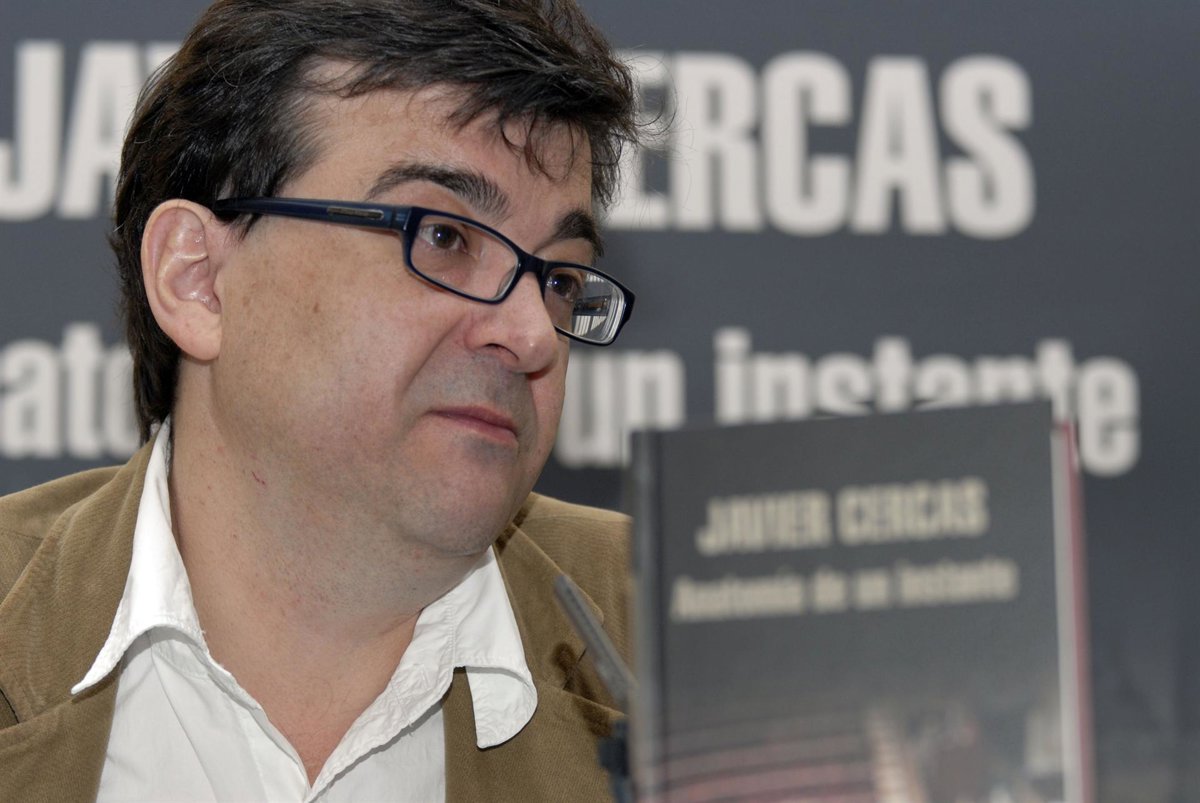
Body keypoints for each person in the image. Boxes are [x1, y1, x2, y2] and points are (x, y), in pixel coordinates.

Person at [0, 1, 640, 800]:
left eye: (561, 279)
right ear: (198, 280)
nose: (532, 334)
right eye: (443, 236)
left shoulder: (688, 643)